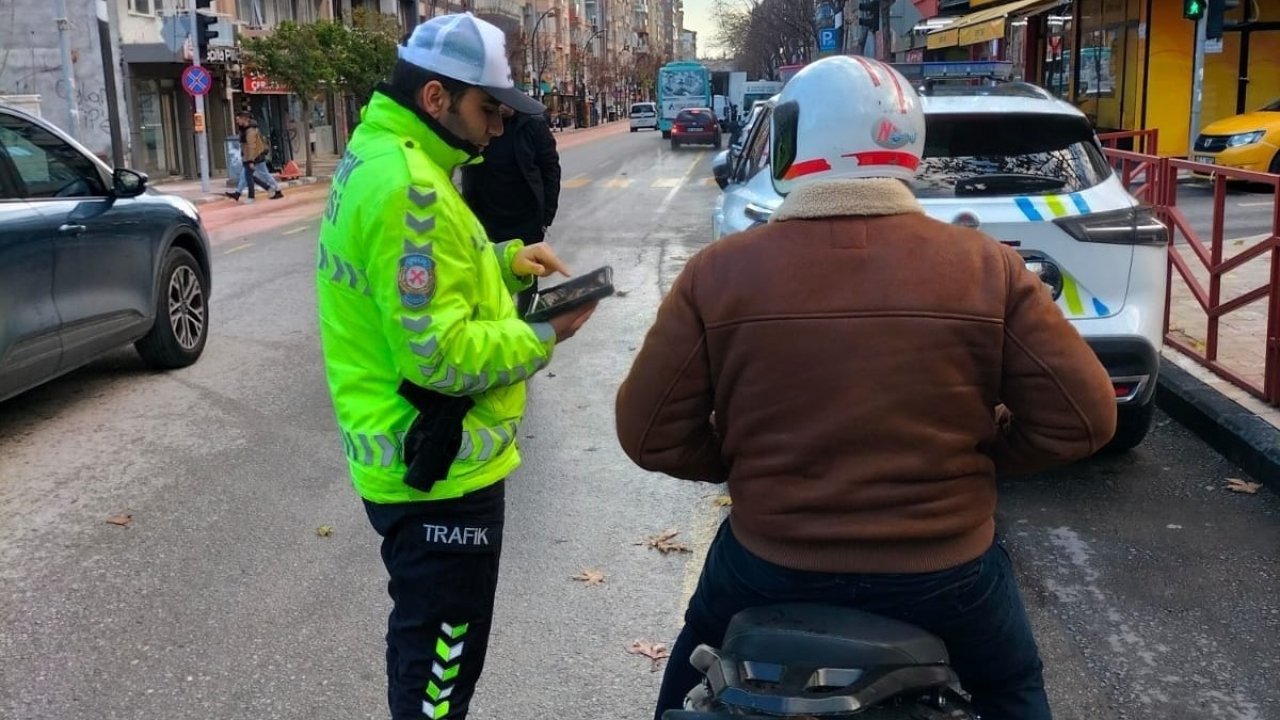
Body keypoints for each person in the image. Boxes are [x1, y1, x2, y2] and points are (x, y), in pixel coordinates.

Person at [615, 56, 1118, 720]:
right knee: (1010, 684)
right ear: (908, 145)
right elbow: (1085, 420)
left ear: (793, 142)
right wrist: (979, 460)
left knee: (691, 667)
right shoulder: (986, 268)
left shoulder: (719, 272)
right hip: (947, 571)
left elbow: (648, 434)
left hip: (769, 560)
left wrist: (746, 466)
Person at [315, 12, 597, 720]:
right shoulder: (411, 187)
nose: (498, 129)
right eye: (488, 109)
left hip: (418, 456)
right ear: (435, 98)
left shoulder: (386, 154)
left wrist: (504, 260)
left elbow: (422, 288)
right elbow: (438, 355)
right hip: (438, 467)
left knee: (420, 641)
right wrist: (543, 332)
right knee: (441, 667)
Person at [460, 103, 560, 315]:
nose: (500, 107)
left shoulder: (532, 123)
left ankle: (527, 333)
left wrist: (545, 216)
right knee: (490, 287)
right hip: (486, 222)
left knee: (528, 291)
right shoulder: (478, 122)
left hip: (527, 223)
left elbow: (551, 168)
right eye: (493, 102)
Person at [225, 111, 283, 202]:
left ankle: (276, 190)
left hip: (256, 157)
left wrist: (250, 161)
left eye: (238, 119)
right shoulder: (244, 129)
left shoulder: (250, 130)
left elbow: (252, 146)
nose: (237, 121)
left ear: (244, 119)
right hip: (250, 157)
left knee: (263, 175)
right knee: (245, 175)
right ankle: (238, 193)